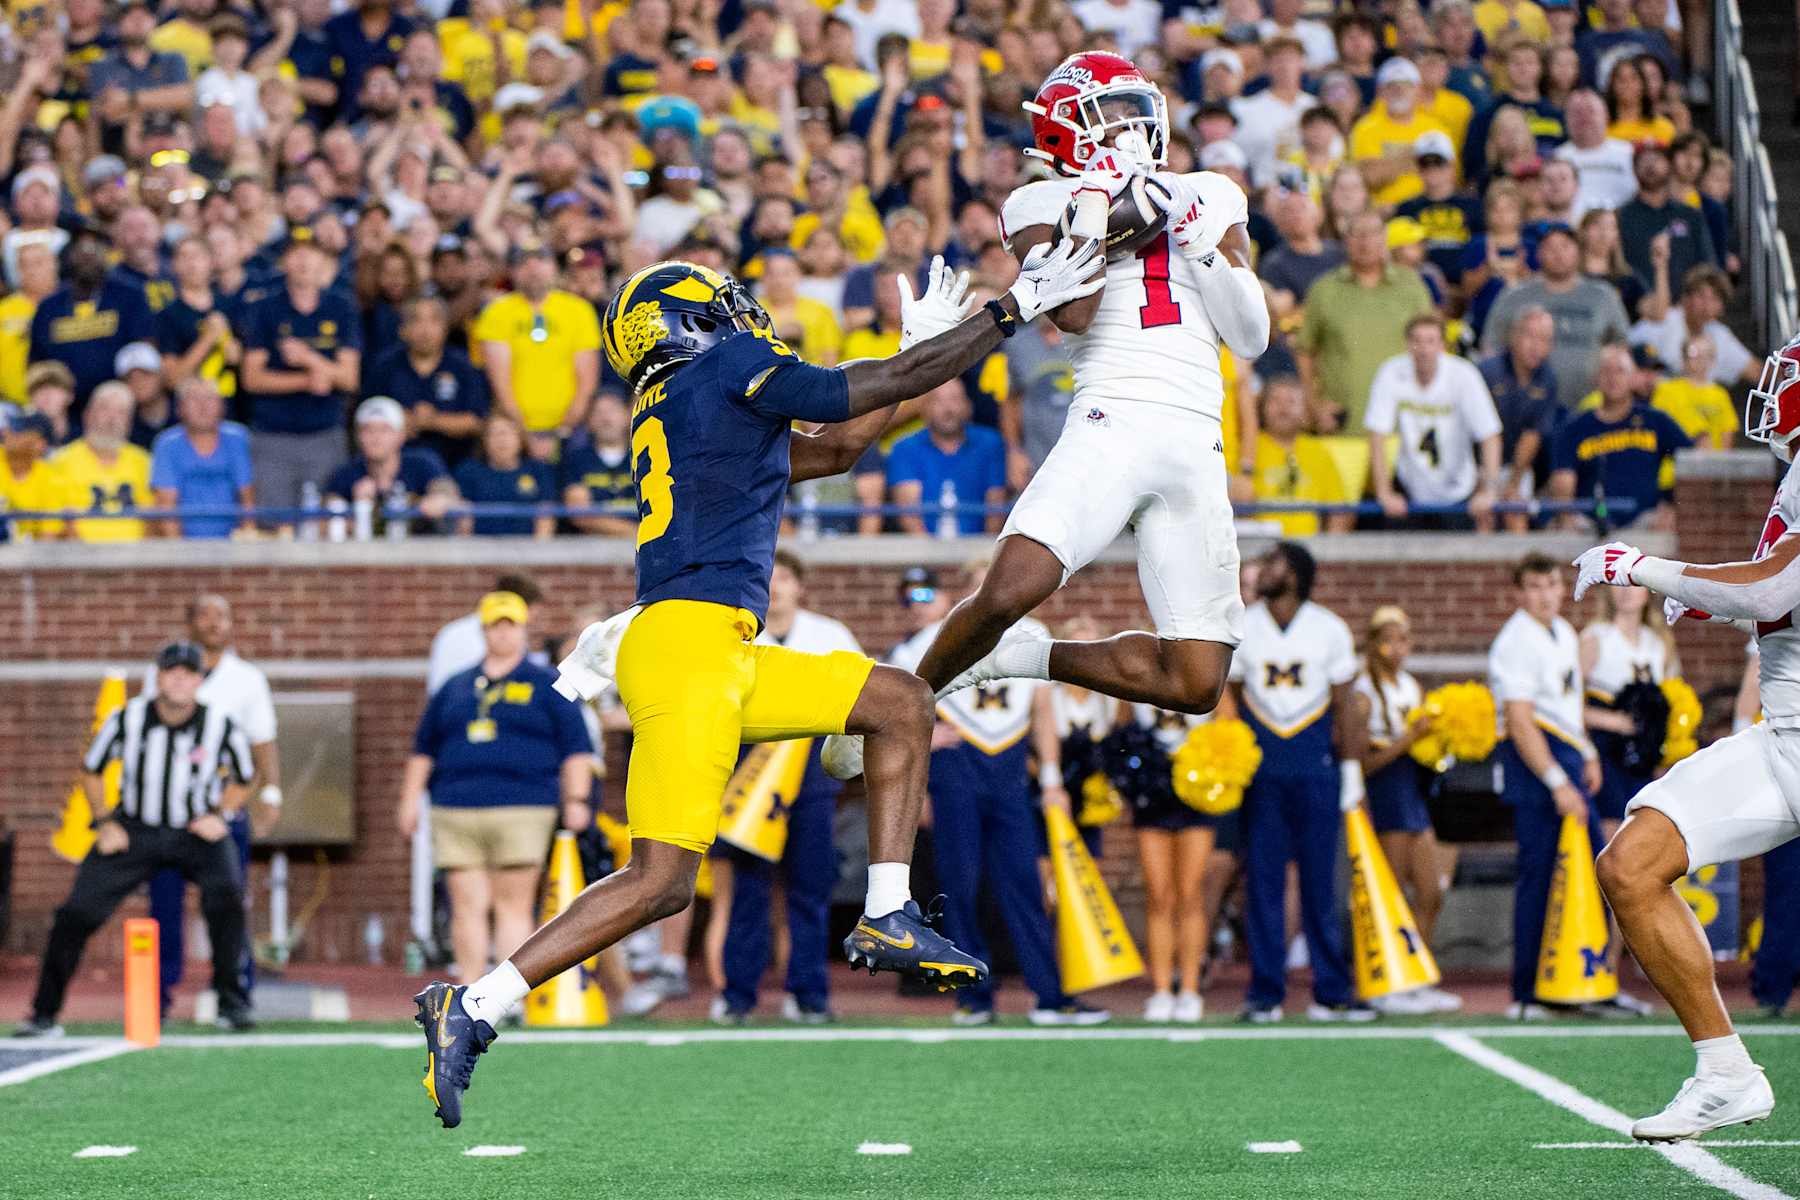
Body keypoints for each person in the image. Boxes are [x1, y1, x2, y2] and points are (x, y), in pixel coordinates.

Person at [412, 242, 1104, 1126]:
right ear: (688, 322)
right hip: (697, 645)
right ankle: (478, 1003)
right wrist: (1003, 314)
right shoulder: (730, 367)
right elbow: (860, 393)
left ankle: (473, 1005)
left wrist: (917, 352)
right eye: (723, 303)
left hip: (702, 643)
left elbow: (846, 445)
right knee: (665, 878)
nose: (742, 314)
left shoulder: (680, 404)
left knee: (896, 705)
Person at [824, 51, 1271, 789]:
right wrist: (1105, 206)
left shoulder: (1210, 192)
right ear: (1067, 130)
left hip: (1196, 440)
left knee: (1195, 682)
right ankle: (906, 694)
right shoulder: (1037, 203)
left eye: (1135, 109)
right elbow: (1075, 308)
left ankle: (1024, 658)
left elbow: (1251, 336)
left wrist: (1195, 238)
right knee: (1008, 591)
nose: (1131, 126)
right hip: (1111, 422)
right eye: (1111, 113)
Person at [1557, 328, 1800, 1134]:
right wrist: (1706, 595)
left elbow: (1771, 593)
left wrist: (1647, 567)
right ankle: (1726, 1071)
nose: (1772, 388)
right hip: (1785, 734)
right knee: (1632, 864)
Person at [890, 567, 1106, 1028]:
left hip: (1009, 776)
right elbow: (896, 702)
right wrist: (922, 743)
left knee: (1024, 884)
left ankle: (1051, 996)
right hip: (956, 774)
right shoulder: (934, 636)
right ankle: (973, 997)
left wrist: (1051, 779)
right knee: (960, 886)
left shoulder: (1034, 633)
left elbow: (1043, 710)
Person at [16, 642, 254, 1038]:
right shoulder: (127, 719)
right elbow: (92, 770)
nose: (179, 679)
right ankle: (44, 1013)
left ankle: (232, 1004)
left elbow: (245, 778)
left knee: (228, 894)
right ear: (158, 676)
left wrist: (219, 814)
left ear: (199, 680)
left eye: (187, 673)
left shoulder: (220, 724)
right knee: (76, 913)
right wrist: (105, 821)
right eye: (171, 671)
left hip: (193, 830)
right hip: (135, 830)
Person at [399, 591, 595, 997]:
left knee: (513, 904)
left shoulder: (549, 683)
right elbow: (424, 749)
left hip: (524, 806)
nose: (503, 634)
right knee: (466, 904)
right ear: (484, 630)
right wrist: (409, 801)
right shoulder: (455, 686)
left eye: (511, 625)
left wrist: (576, 800)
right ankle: (469, 992)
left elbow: (576, 748)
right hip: (455, 806)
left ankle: (504, 997)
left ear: (524, 629)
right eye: (495, 625)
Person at [714, 551, 862, 1024]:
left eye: (786, 578)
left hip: (812, 778)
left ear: (801, 586)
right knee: (748, 892)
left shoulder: (830, 635)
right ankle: (739, 996)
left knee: (810, 889)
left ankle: (810, 994)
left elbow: (860, 696)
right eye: (767, 578)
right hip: (751, 777)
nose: (775, 587)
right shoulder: (729, 636)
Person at [1229, 542, 1369, 1023]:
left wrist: (1350, 770)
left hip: (1316, 772)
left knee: (1320, 888)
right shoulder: (1243, 623)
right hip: (1263, 775)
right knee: (1263, 886)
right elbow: (1227, 696)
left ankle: (1331, 991)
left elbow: (1347, 704)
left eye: (1274, 564)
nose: (1264, 571)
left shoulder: (1329, 628)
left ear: (1297, 574)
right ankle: (1265, 993)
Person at [142, 595, 282, 1018]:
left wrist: (270, 793)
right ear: (189, 621)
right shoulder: (165, 673)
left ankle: (234, 995)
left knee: (226, 903)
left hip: (222, 809)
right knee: (163, 907)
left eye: (223, 615)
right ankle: (157, 998)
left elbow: (262, 742)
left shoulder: (246, 679)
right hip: (169, 812)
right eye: (205, 614)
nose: (215, 623)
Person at [1490, 553, 1605, 1022]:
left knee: (1590, 868)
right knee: (1539, 877)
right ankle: (1529, 992)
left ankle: (1579, 979)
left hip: (1568, 752)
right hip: (1536, 765)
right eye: (1533, 586)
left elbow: (1568, 703)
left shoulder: (1564, 633)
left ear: (1563, 589)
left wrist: (1589, 752)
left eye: (1551, 585)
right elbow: (1521, 721)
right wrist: (1558, 781)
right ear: (1519, 593)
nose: (1544, 595)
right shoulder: (1514, 641)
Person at [1353, 606, 1460, 1015]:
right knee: (1393, 890)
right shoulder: (1364, 692)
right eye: (1389, 640)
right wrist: (1407, 738)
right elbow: (1365, 762)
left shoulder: (1410, 686)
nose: (1397, 649)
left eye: (1404, 640)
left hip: (1412, 791)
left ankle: (1416, 973)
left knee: (1431, 892)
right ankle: (1388, 982)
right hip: (1386, 791)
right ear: (1374, 644)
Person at [237, 227, 362, 515]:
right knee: (273, 523)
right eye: (296, 254)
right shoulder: (265, 309)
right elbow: (252, 378)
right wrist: (307, 380)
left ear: (324, 262)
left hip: (324, 432)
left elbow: (349, 378)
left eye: (312, 253)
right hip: (273, 435)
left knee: (326, 523)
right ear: (285, 262)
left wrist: (309, 358)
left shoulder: (341, 308)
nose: (304, 261)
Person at [1297, 211, 1434, 435]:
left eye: (1373, 233)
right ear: (1345, 240)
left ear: (1385, 238)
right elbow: (1304, 353)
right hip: (1342, 425)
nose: (1365, 241)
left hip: (1403, 425)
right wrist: (1314, 407)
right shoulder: (1324, 289)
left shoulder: (1411, 286)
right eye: (1357, 234)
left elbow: (1432, 347)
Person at [1365, 314, 1504, 531]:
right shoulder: (1391, 372)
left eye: (1431, 341)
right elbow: (1376, 434)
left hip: (1459, 493)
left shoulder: (1464, 374)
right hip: (1410, 492)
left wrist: (1489, 491)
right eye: (1417, 340)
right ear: (1407, 345)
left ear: (1442, 345)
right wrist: (1384, 492)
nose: (1424, 349)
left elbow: (1489, 435)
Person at [1481, 223, 1631, 407]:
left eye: (1565, 246)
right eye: (1550, 247)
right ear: (1538, 253)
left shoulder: (1602, 296)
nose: (1558, 254)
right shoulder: (1515, 296)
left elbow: (1622, 346)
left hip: (1591, 405)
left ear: (1578, 251)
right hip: (1528, 408)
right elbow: (1491, 348)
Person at [473, 242, 600, 459]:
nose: (533, 269)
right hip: (515, 430)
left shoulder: (579, 310)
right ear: (512, 271)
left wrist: (561, 432)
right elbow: (500, 383)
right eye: (524, 263)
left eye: (541, 261)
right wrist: (525, 434)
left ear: (554, 267)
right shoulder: (496, 312)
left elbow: (586, 382)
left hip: (570, 428)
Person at [1548, 343, 1690, 531]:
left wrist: (1670, 501)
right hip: (1588, 524)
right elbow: (1562, 480)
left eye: (1620, 371)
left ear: (1632, 378)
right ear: (1596, 378)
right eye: (1606, 371)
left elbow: (1693, 459)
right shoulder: (1575, 427)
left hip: (1646, 521)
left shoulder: (1655, 421)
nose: (1613, 378)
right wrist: (1566, 518)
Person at [29, 228, 153, 412]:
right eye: (81, 250)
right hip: (63, 407)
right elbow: (38, 363)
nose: (88, 256)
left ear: (107, 254)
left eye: (95, 249)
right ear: (69, 256)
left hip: (120, 405)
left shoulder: (130, 296)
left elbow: (143, 353)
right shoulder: (49, 307)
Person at [364, 296, 490, 469]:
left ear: (446, 328)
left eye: (434, 320)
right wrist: (400, 419)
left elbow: (476, 421)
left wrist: (432, 421)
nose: (425, 330)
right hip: (395, 468)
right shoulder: (385, 366)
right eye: (416, 320)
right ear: (403, 329)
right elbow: (367, 414)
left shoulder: (463, 366)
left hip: (457, 465)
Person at [884, 379, 1007, 536]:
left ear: (968, 406)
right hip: (923, 554)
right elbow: (910, 517)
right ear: (924, 409)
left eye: (955, 399)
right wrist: (933, 558)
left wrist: (984, 557)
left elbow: (995, 510)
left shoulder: (990, 444)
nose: (948, 409)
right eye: (938, 401)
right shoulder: (904, 448)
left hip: (978, 553)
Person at [1479, 307, 1563, 529]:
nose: (1536, 346)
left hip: (1518, 465)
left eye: (1544, 339)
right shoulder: (1487, 371)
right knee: (1483, 513)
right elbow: (1482, 433)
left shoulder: (1548, 379)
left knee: (1516, 512)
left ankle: (1520, 564)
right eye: (1530, 336)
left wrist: (1512, 484)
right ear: (1514, 337)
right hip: (1479, 461)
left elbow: (1533, 435)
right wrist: (1489, 483)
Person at [325, 396, 458, 535]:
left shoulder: (421, 463)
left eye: (384, 430)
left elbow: (449, 494)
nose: (376, 437)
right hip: (366, 553)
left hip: (420, 550)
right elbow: (325, 519)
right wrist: (356, 510)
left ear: (401, 435)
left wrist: (439, 499)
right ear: (358, 436)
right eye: (368, 430)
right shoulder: (346, 474)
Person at [1247, 374, 1351, 538]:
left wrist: (1328, 554)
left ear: (1305, 411)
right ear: (1262, 407)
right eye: (1275, 400)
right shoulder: (1250, 447)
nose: (1283, 408)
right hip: (1259, 546)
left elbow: (1339, 511)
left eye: (1291, 401)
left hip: (1307, 550)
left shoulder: (1318, 451)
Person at [150, 377, 254, 540]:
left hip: (233, 545)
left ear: (222, 406)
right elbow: (166, 507)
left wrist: (247, 548)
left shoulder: (238, 439)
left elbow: (247, 499)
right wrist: (179, 556)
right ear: (180, 408)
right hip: (184, 548)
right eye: (194, 399)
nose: (202, 406)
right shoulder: (167, 444)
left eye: (210, 399)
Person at [52, 380, 152, 543]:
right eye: (105, 408)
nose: (112, 418)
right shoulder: (60, 461)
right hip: (77, 559)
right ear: (87, 415)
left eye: (121, 412)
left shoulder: (144, 461)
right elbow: (58, 522)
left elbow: (152, 520)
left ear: (129, 423)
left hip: (135, 560)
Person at [452, 414, 556, 539]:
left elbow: (545, 515)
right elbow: (464, 520)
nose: (501, 440)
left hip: (527, 549)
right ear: (484, 440)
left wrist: (539, 551)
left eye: (507, 433)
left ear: (520, 439)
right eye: (494, 434)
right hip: (481, 548)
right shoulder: (469, 470)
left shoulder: (538, 470)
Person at [559, 388, 638, 538]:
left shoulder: (645, 455)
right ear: (588, 421)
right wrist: (638, 533)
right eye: (598, 412)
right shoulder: (576, 459)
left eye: (612, 410)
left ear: (627, 415)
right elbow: (581, 515)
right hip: (592, 550)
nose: (606, 418)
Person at [1651, 334, 1737, 449]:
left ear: (1713, 359)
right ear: (1684, 358)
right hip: (1675, 464)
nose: (1700, 359)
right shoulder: (1666, 390)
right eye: (1694, 354)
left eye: (1707, 354)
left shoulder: (1720, 394)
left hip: (1712, 464)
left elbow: (1727, 434)